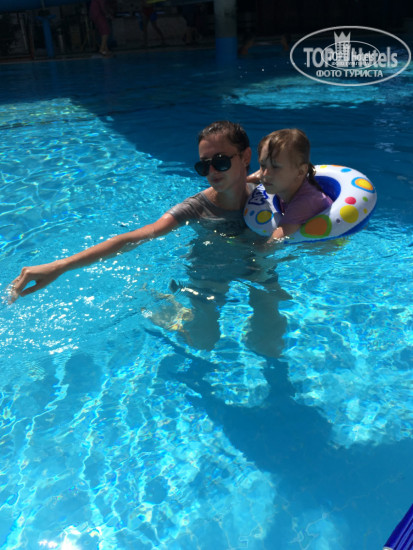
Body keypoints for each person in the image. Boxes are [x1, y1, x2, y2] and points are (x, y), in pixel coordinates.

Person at [9, 121, 253, 304]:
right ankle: (162, 307)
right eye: (204, 165)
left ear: (245, 157)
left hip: (253, 266)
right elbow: (131, 238)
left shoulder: (265, 192)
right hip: (208, 276)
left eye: (220, 161)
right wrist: (60, 266)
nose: (212, 171)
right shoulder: (195, 208)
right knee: (204, 341)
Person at [247, 128, 333, 242]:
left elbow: (277, 239)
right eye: (263, 165)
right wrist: (246, 180)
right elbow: (259, 175)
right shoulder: (278, 179)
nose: (265, 174)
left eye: (275, 167)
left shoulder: (305, 202)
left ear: (301, 171)